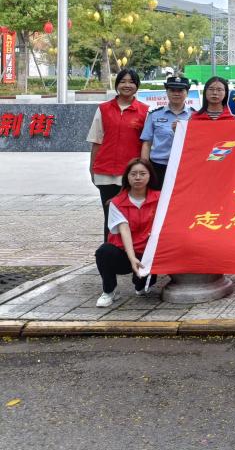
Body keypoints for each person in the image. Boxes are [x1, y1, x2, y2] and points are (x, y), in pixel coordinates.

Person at [87, 67, 148, 237]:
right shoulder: (104, 109)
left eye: (131, 82)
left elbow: (147, 144)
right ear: (117, 85)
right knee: (110, 216)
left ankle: (130, 249)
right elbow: (96, 140)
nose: (127, 85)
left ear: (137, 86)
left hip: (131, 174)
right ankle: (109, 250)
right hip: (105, 172)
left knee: (130, 215)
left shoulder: (144, 111)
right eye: (123, 81)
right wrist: (92, 167)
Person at [94, 158, 161, 307]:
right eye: (133, 174)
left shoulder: (160, 198)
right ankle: (109, 291)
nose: (138, 177)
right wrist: (132, 259)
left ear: (150, 176)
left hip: (148, 253)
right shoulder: (116, 202)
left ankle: (142, 282)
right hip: (125, 252)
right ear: (127, 177)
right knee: (104, 252)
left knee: (142, 290)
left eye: (142, 173)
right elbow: (124, 231)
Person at [140, 74, 193, 189]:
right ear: (167, 92)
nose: (176, 93)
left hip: (185, 166)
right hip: (158, 167)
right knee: (156, 198)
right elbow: (147, 143)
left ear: (187, 92)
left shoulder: (195, 116)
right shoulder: (154, 115)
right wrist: (144, 167)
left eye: (180, 90)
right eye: (172, 90)